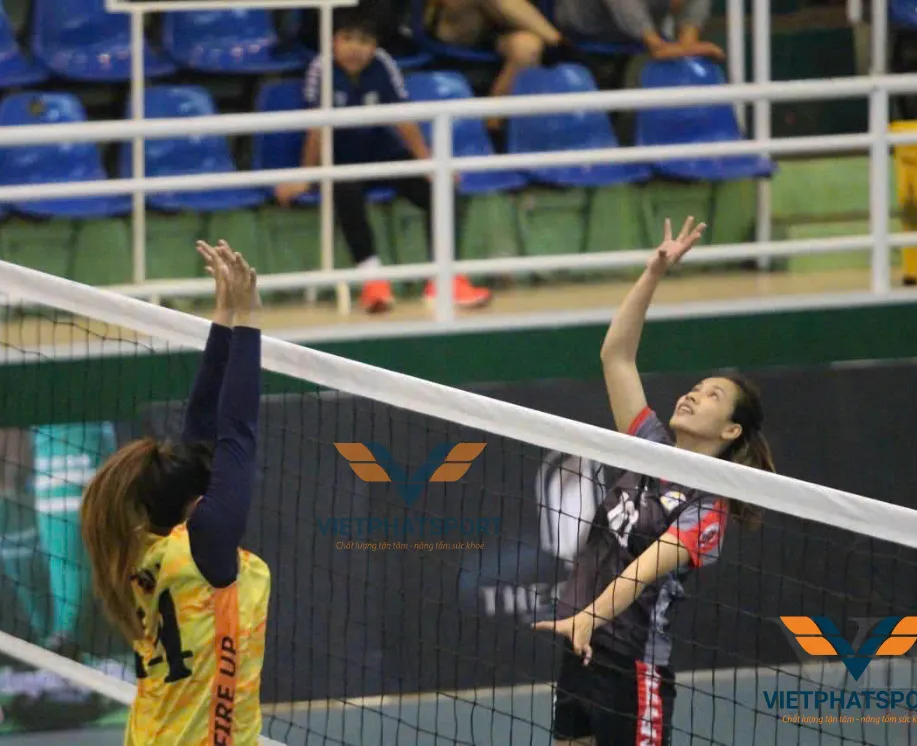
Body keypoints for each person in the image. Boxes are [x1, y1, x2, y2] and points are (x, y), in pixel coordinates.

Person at [533, 217, 774, 746]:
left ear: (731, 430)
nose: (693, 395)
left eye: (712, 396)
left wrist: (588, 617)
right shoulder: (647, 445)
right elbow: (616, 356)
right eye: (695, 388)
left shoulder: (708, 507)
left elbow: (641, 572)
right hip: (581, 653)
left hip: (632, 669)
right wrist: (653, 273)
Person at [81, 240, 269, 745]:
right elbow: (237, 430)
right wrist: (249, 318)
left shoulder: (148, 547)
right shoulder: (205, 547)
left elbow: (202, 427)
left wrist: (226, 315)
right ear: (196, 503)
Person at [274, 8, 492, 314]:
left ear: (375, 45)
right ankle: (373, 280)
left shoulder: (383, 64)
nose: (355, 48)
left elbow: (404, 120)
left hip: (381, 153)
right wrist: (307, 177)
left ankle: (444, 279)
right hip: (341, 159)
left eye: (364, 41)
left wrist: (429, 165)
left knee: (442, 189)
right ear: (334, 41)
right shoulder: (321, 68)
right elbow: (316, 128)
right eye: (348, 39)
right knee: (345, 189)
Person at [424, 0, 582, 128]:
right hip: (457, 23)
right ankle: (562, 46)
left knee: (527, 48)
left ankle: (493, 127)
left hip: (505, 25)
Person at [554, 0, 724, 61]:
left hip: (643, 29)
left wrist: (687, 45)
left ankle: (687, 44)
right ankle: (656, 43)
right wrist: (655, 43)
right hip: (584, 26)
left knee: (685, 49)